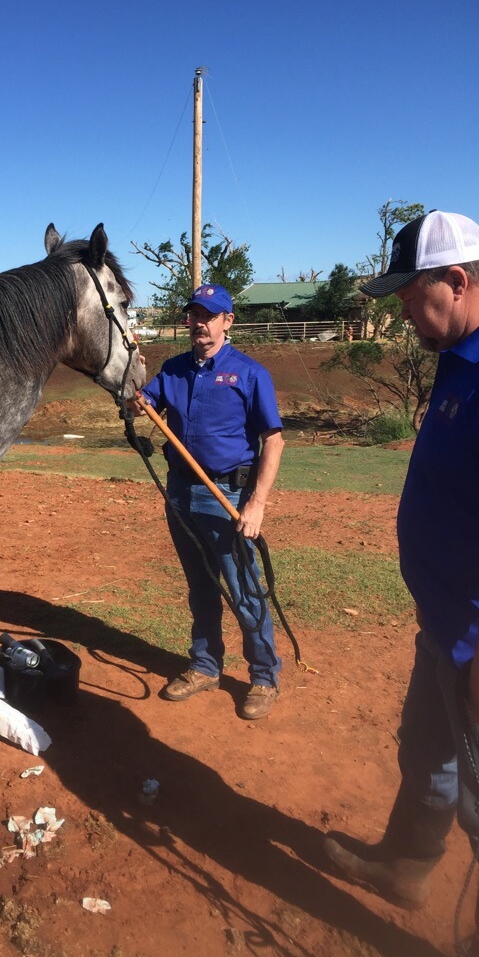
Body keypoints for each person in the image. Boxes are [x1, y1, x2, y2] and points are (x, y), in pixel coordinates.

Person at [323, 211, 479, 957]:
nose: (402, 314)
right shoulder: (457, 358)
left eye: (412, 297)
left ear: (457, 280)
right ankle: (406, 869)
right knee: (426, 753)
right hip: (444, 624)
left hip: (478, 639)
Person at [131, 283, 285, 720]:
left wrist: (257, 503)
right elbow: (144, 401)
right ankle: (204, 666)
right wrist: (133, 391)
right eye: (194, 315)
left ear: (227, 321)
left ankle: (263, 675)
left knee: (243, 590)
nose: (200, 323)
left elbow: (273, 440)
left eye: (209, 315)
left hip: (228, 494)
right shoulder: (174, 368)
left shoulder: (250, 373)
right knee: (200, 587)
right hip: (180, 490)